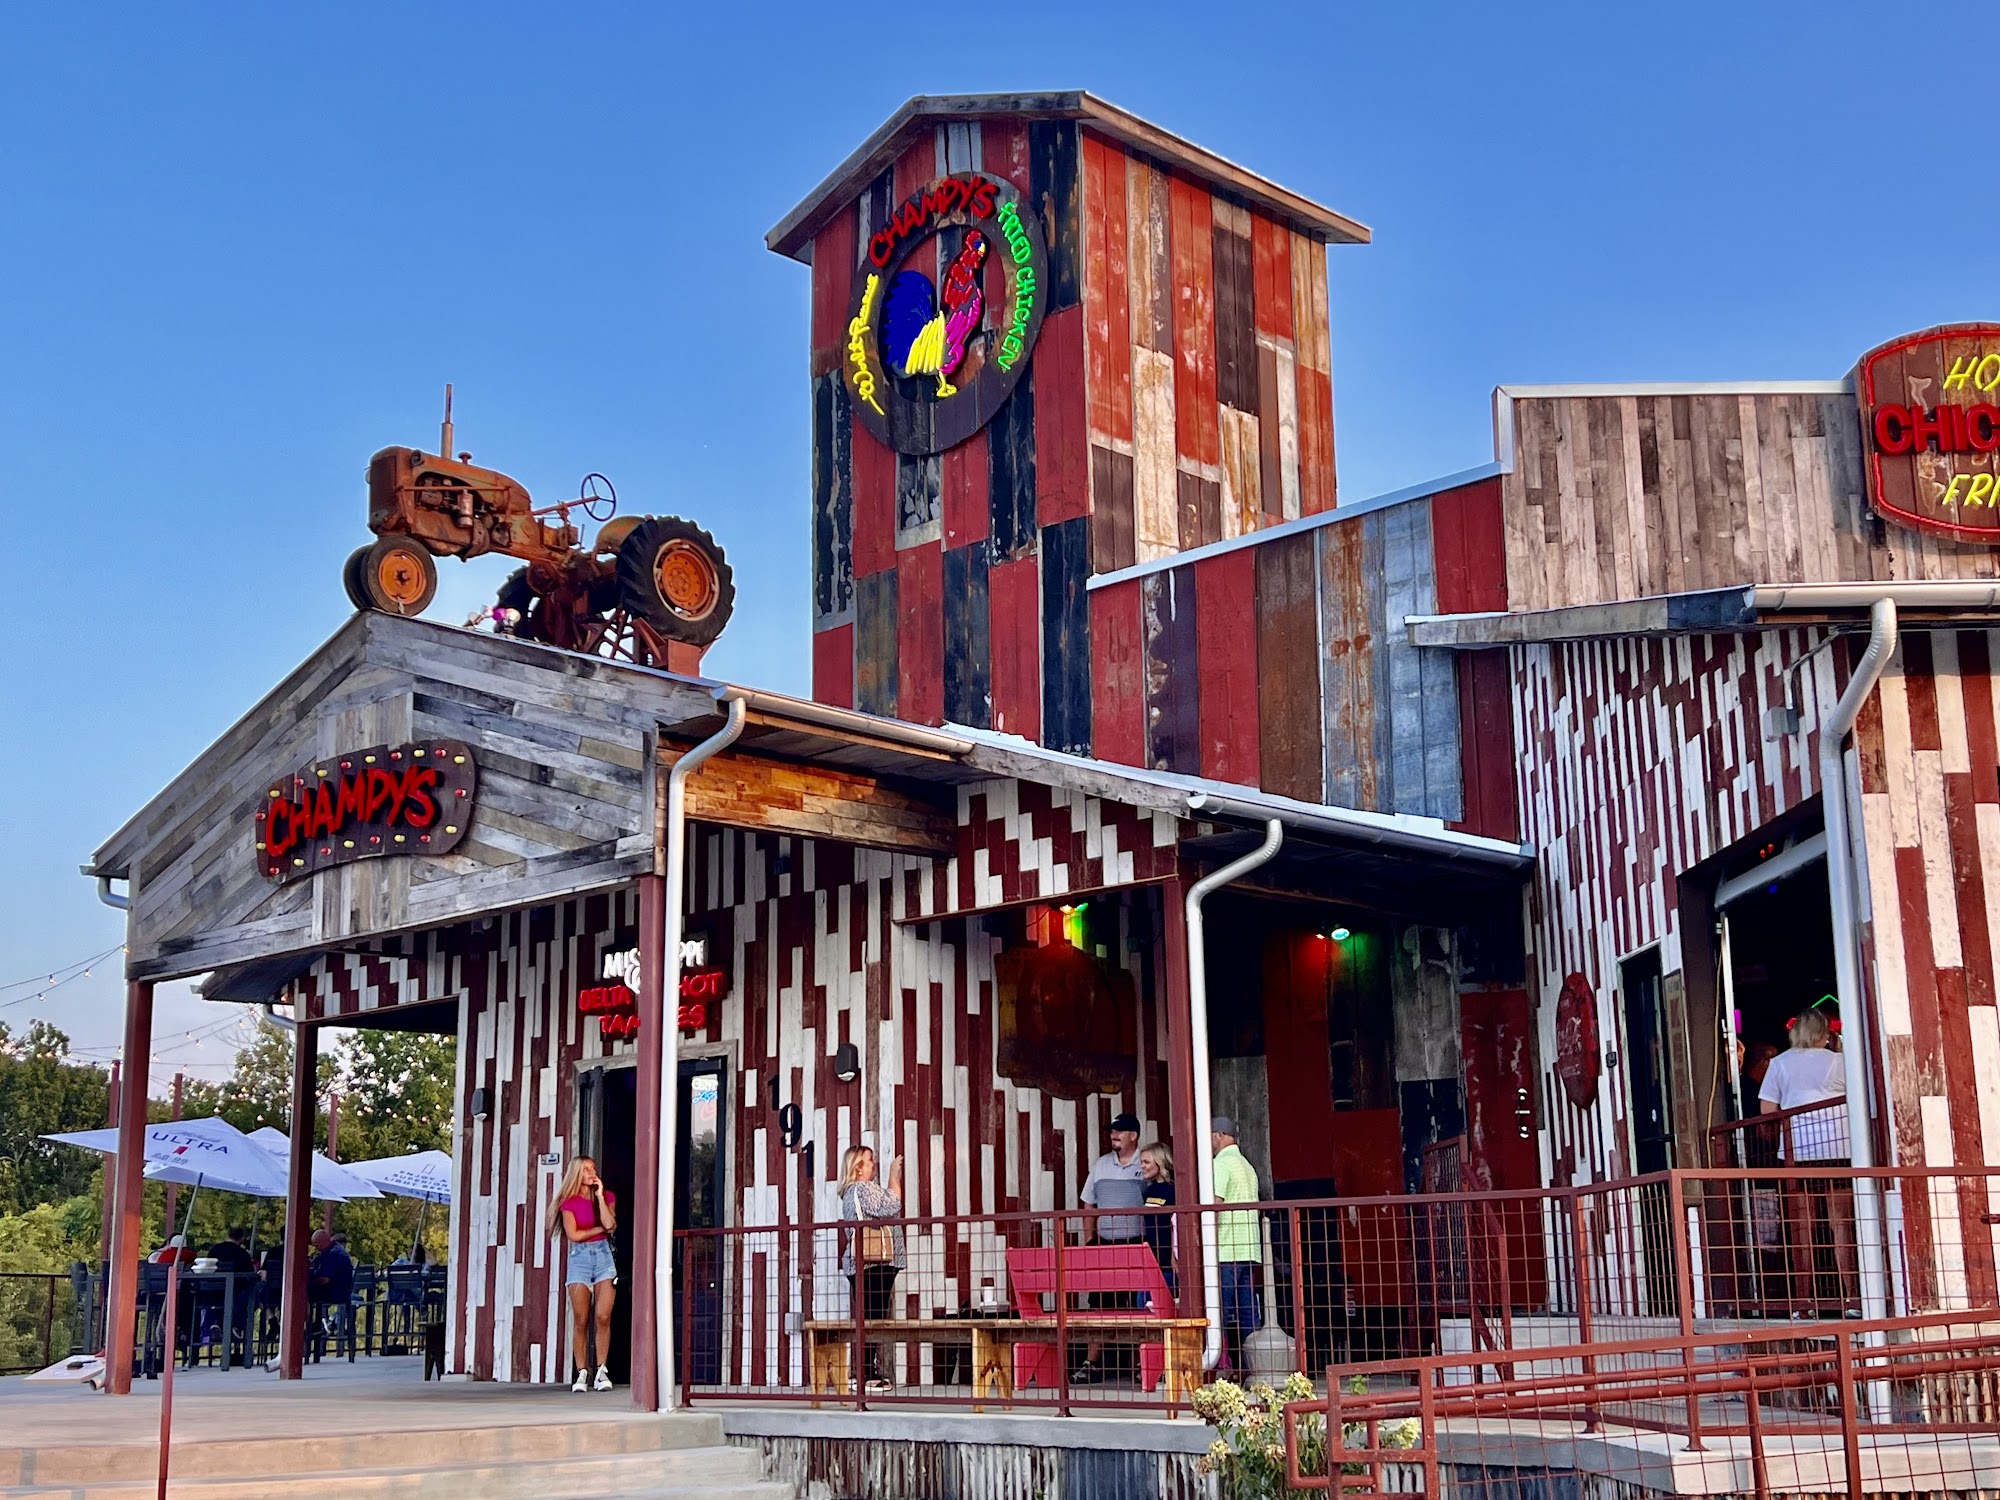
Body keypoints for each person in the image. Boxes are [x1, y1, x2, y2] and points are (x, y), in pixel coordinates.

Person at [1759, 1009, 1854, 1314]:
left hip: (1796, 1153)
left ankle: (1803, 1301)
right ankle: (1853, 1297)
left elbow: (1766, 1111)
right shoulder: (1840, 1061)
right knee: (1843, 1225)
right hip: (1838, 1149)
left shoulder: (1779, 1063)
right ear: (1825, 1034)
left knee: (1802, 1229)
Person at [1073, 1112, 1147, 1385]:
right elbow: (1088, 1204)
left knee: (1139, 1304)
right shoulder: (1101, 1164)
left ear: (1133, 1135)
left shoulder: (1146, 1162)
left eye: (1119, 1131)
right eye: (1112, 1131)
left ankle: (1143, 1365)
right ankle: (1091, 1363)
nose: (1113, 1135)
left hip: (1136, 1242)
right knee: (1099, 1304)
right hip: (1105, 1244)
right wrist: (1090, 1241)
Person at [837, 1145, 904, 1395]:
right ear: (858, 1167)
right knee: (873, 1318)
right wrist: (893, 1176)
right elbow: (891, 1205)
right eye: (869, 1161)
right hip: (874, 1263)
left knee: (869, 1316)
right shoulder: (862, 1188)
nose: (873, 1164)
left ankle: (865, 1372)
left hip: (864, 1264)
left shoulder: (850, 1192)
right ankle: (866, 1374)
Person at [553, 1155, 618, 1392]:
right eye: (586, 1170)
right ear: (576, 1174)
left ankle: (601, 1370)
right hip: (579, 1258)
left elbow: (610, 1222)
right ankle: (582, 1371)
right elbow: (574, 1235)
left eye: (593, 1169)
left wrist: (599, 1196)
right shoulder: (568, 1203)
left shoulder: (607, 1197)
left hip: (603, 1257)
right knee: (581, 1319)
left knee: (603, 1316)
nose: (592, 1173)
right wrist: (601, 1229)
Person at [1211, 1116, 1262, 1370]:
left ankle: (1222, 1366)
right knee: (1248, 1312)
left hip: (1227, 1248)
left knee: (1220, 1311)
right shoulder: (1246, 1165)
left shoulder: (1221, 1164)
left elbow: (1215, 1204)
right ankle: (1254, 1367)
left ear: (1218, 1135)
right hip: (1249, 1248)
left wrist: (1204, 1242)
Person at [1138, 1142, 1177, 1302]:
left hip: (1169, 1258)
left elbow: (1177, 1223)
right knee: (1143, 1302)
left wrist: (1175, 1255)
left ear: (1159, 1162)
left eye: (1146, 1162)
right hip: (1151, 1255)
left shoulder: (1173, 1190)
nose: (1142, 1166)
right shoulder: (1149, 1190)